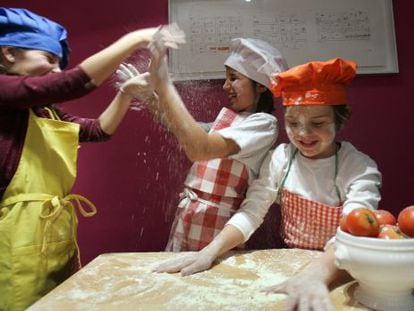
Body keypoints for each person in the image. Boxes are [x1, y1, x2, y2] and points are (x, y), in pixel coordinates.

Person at [153, 58, 382, 310]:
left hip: (341, 269)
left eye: (317, 124)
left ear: (340, 120)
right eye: (293, 123)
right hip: (292, 264)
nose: (303, 134)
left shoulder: (358, 167)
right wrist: (209, 252)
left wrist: (316, 274)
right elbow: (252, 212)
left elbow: (354, 231)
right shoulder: (281, 158)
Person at [0, 7, 181, 310]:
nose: (57, 71)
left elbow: (98, 131)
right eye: (49, 59)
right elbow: (72, 83)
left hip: (52, 232)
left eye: (60, 63)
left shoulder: (46, 110)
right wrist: (135, 38)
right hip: (13, 236)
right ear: (8, 53)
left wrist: (125, 92)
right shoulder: (3, 92)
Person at [121, 37, 288, 252]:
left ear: (261, 86)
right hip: (189, 214)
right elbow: (187, 131)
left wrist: (165, 88)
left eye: (233, 78)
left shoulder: (263, 125)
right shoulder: (228, 119)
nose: (226, 85)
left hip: (218, 224)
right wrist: (151, 99)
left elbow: (200, 149)